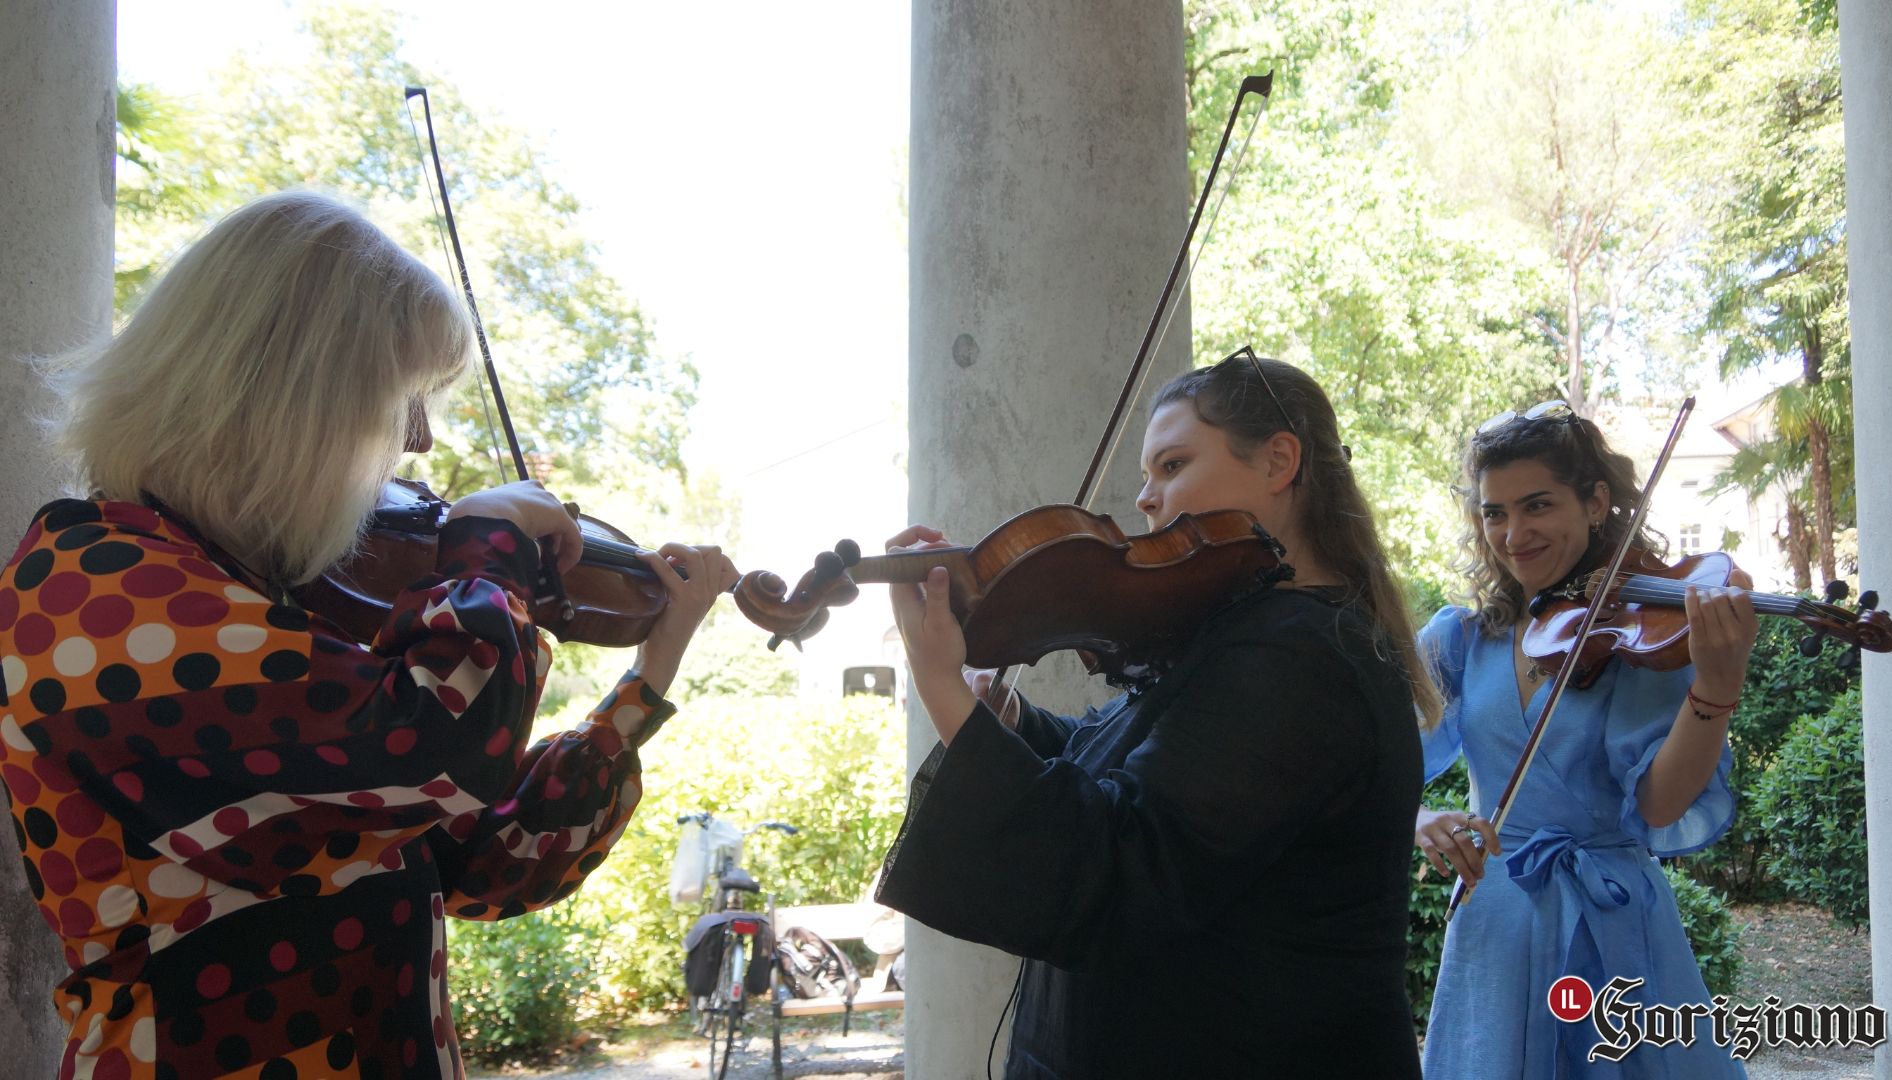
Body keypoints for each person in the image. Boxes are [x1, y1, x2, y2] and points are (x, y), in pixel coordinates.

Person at [0, 191, 737, 1078]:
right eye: (403, 399)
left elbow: (482, 858)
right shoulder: (88, 589)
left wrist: (650, 673)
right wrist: (488, 540)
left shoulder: (259, 593)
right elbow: (436, 751)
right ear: (287, 392)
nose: (417, 440)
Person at [875, 351, 1436, 1078]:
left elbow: (1125, 861)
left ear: (1278, 462)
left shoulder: (1303, 656)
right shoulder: (1251, 632)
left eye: (1172, 466)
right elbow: (1135, 764)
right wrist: (1010, 716)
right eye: (1148, 473)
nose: (1144, 498)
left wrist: (945, 692)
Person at [1414, 400, 1756, 1078]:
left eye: (1537, 506)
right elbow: (1373, 768)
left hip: (1613, 922)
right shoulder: (1459, 640)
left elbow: (1659, 805)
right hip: (1495, 924)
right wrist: (1419, 818)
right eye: (1494, 512)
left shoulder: (1639, 632)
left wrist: (1715, 687)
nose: (1513, 534)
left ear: (1596, 501)